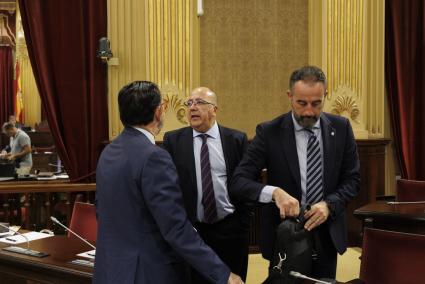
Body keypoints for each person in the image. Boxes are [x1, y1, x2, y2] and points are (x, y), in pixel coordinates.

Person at [94, 81, 244, 284]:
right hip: (147, 272)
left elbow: (101, 211)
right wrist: (223, 274)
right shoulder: (154, 157)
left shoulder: (109, 152)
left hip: (111, 269)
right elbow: (175, 227)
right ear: (159, 112)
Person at [230, 66, 360, 279]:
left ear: (325, 96)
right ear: (290, 96)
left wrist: (329, 205)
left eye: (316, 103)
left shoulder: (342, 128)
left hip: (326, 235)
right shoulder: (269, 132)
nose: (309, 111)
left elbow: (352, 180)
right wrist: (274, 193)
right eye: (302, 103)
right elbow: (239, 182)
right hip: (285, 238)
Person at [163, 87, 251, 283]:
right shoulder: (174, 140)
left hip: (231, 230)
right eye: (189, 103)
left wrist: (243, 222)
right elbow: (170, 187)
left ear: (214, 109)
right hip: (192, 232)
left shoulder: (236, 140)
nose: (192, 107)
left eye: (200, 102)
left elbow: (247, 183)